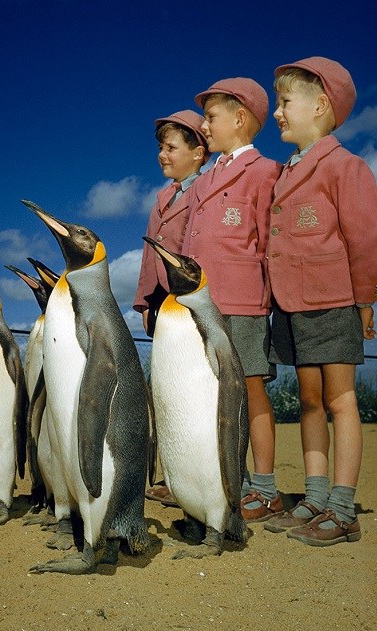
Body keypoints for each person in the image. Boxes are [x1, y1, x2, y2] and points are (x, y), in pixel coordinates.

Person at [263, 57, 377, 546]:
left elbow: (365, 239)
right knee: (309, 401)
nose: (278, 114)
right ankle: (313, 497)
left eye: (285, 102)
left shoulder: (346, 167)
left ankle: (343, 506)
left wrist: (366, 301)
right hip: (290, 305)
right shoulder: (284, 173)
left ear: (321, 105)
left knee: (340, 399)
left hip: (333, 300)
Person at [181, 77, 283, 522]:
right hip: (199, 304)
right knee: (209, 392)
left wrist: (273, 300)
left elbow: (271, 241)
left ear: (240, 118)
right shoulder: (202, 182)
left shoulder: (266, 171)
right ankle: (227, 480)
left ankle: (264, 488)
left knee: (251, 389)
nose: (204, 125)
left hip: (243, 302)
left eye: (211, 117)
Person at [134, 109, 210, 506]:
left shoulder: (207, 192)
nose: (162, 155)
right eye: (161, 148)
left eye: (171, 147)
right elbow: (150, 256)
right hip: (163, 305)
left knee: (195, 391)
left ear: (199, 152)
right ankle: (173, 474)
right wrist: (144, 299)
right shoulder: (162, 198)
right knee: (166, 391)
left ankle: (204, 475)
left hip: (189, 301)